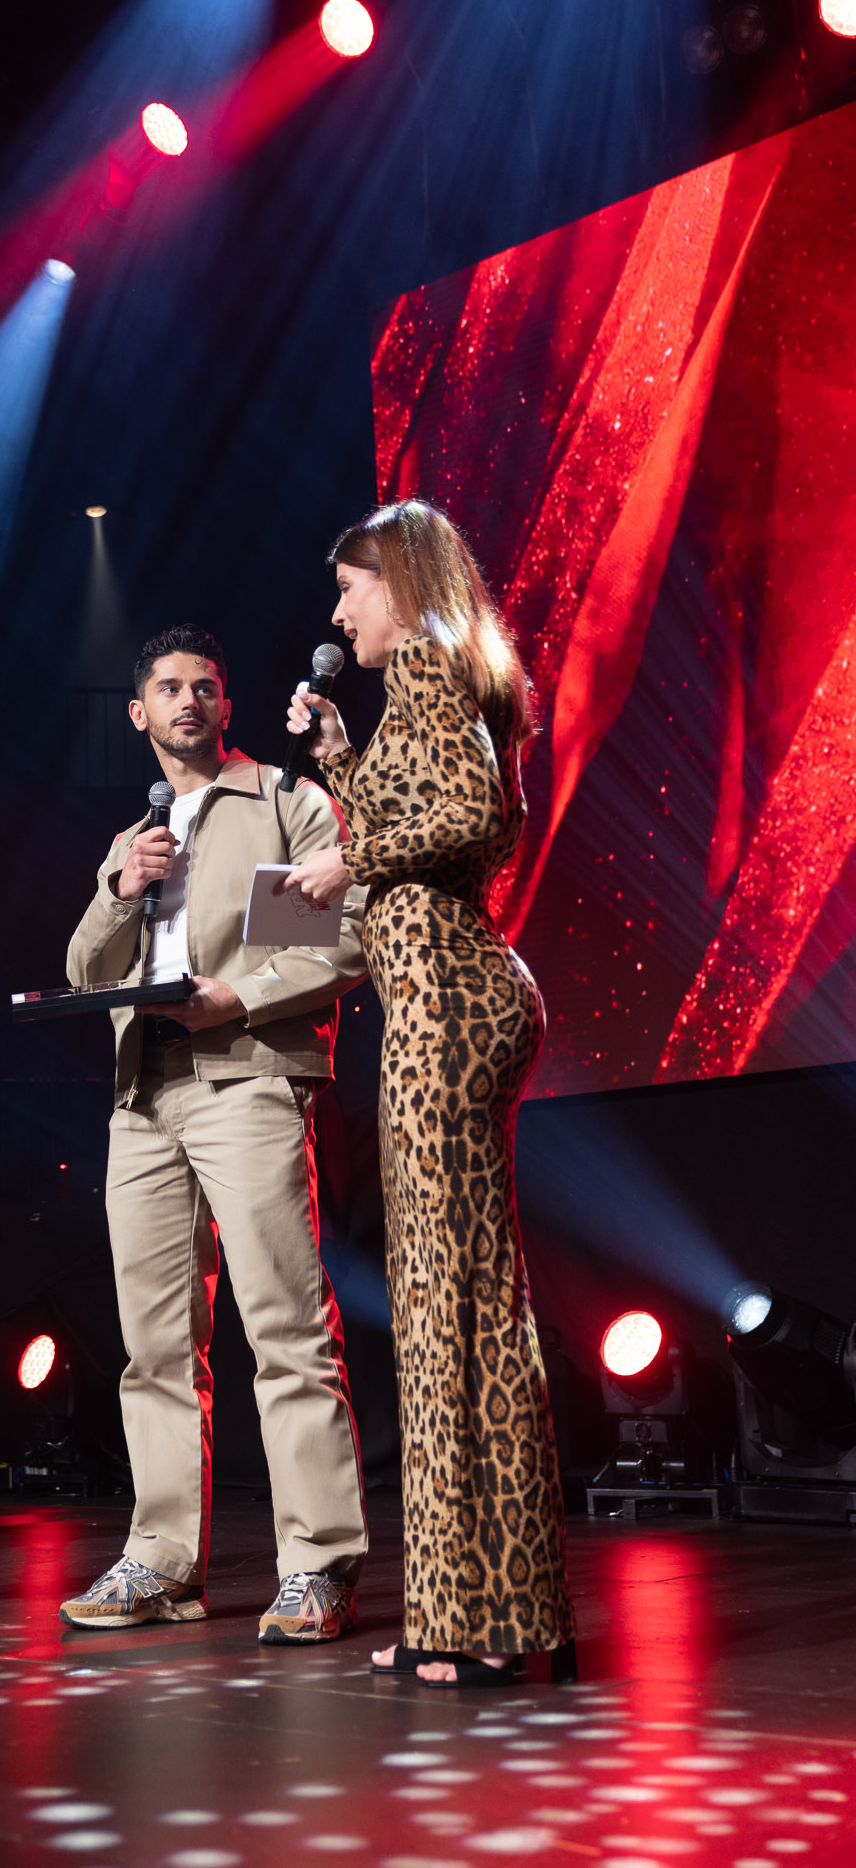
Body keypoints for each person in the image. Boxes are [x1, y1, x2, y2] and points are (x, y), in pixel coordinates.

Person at [284, 503, 576, 1687]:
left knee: (445, 1308)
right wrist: (340, 763)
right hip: (454, 998)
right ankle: (508, 1617)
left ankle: (462, 1623)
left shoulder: (419, 661)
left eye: (349, 585)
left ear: (398, 583)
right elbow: (439, 808)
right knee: (468, 1309)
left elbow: (472, 817)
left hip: (444, 1008)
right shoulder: (426, 678)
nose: (338, 609)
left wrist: (345, 854)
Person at [61, 625, 371, 1643]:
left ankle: (317, 1562)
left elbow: (338, 936)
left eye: (206, 685)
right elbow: (82, 969)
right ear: (137, 712)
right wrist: (119, 885)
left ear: (226, 706)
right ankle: (159, 1559)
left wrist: (234, 995)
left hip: (246, 1078)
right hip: (141, 1095)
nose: (187, 699)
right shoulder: (130, 837)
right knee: (153, 1346)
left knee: (284, 1327)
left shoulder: (282, 800)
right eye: (167, 687)